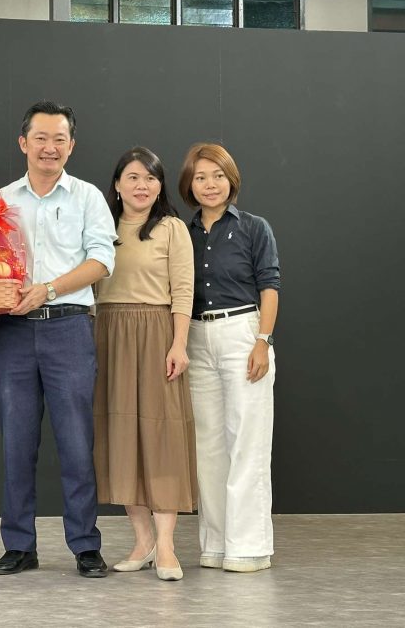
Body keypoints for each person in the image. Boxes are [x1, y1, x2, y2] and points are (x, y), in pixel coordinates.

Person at [0, 101, 116, 578]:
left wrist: (48, 288)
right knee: (15, 442)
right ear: (23, 143)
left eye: (59, 139)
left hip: (69, 326)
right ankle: (19, 544)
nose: (50, 147)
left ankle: (85, 544)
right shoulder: (0, 202)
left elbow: (101, 261)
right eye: (40, 138)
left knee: (77, 441)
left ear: (71, 145)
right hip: (14, 330)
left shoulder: (87, 197)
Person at [93, 147, 197, 582]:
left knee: (161, 436)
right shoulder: (99, 225)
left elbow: (184, 290)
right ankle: (142, 541)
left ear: (160, 186)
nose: (142, 185)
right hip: (108, 334)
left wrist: (179, 344)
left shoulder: (172, 229)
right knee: (121, 438)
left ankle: (167, 545)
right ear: (117, 185)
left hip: (156, 332)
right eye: (133, 177)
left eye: (150, 178)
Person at [178, 142, 280, 573]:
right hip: (196, 337)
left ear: (231, 179)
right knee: (209, 447)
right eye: (201, 177)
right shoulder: (181, 232)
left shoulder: (255, 228)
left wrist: (263, 341)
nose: (210, 184)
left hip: (243, 333)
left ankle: (249, 547)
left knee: (247, 442)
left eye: (217, 176)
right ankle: (216, 544)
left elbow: (269, 286)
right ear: (189, 184)